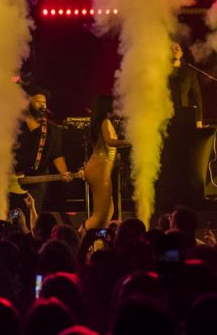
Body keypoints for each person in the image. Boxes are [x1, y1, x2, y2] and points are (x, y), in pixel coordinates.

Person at [11, 86, 73, 219]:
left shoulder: (52, 129)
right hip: (10, 178)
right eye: (38, 101)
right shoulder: (14, 124)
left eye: (44, 102)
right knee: (11, 216)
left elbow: (57, 155)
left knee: (31, 216)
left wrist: (64, 172)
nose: (42, 105)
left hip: (37, 180)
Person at [83, 96, 130, 231]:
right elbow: (110, 141)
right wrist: (130, 142)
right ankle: (81, 235)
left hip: (100, 165)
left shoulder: (102, 122)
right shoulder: (105, 122)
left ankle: (98, 237)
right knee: (100, 214)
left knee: (108, 211)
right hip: (100, 166)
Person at [169, 42, 202, 128]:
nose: (176, 50)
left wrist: (199, 120)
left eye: (178, 48)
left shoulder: (190, 72)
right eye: (172, 48)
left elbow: (196, 96)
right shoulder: (160, 70)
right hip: (165, 116)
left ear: (181, 53)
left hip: (183, 116)